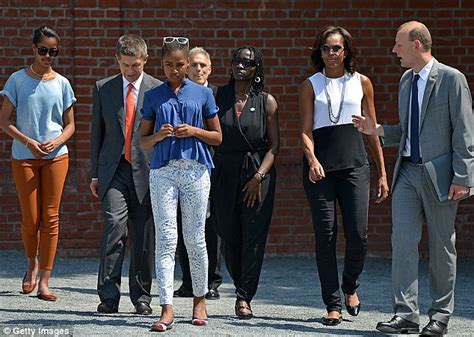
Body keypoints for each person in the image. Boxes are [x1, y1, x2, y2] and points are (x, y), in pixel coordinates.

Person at [352, 21, 473, 335]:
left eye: (399, 44)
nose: (394, 51)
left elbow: (464, 132)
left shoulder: (451, 79)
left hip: (441, 176)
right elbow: (408, 132)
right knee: (403, 243)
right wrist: (376, 130)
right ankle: (406, 315)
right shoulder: (406, 80)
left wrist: (463, 176)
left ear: (417, 44)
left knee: (441, 248)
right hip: (407, 173)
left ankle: (440, 316)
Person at [299, 26, 389, 325]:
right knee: (325, 237)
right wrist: (311, 159)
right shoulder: (310, 85)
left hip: (355, 167)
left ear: (346, 51)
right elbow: (304, 130)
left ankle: (350, 286)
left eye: (337, 48)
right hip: (320, 171)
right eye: (326, 48)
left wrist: (382, 173)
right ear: (319, 52)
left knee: (358, 235)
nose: (331, 53)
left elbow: (373, 131)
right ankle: (333, 303)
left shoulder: (362, 82)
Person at [140, 36, 222, 332]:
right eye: (168, 65)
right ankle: (166, 307)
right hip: (162, 171)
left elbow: (218, 137)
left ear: (188, 64)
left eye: (179, 65)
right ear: (161, 65)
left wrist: (195, 131)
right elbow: (143, 140)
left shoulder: (202, 94)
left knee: (195, 238)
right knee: (166, 239)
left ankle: (199, 301)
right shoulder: (153, 96)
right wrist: (159, 136)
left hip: (196, 171)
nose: (174, 70)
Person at [0, 26, 76, 301]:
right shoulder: (17, 80)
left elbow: (70, 126)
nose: (48, 56)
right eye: (43, 50)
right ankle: (30, 263)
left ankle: (45, 279)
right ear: (33, 48)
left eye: (53, 51)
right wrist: (28, 141)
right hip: (24, 157)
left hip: (56, 156)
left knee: (51, 217)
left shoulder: (62, 83)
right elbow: (4, 120)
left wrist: (57, 142)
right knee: (31, 219)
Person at [90, 34, 161, 315]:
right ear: (117, 60)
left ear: (145, 60)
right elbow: (98, 132)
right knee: (114, 227)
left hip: (147, 170)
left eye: (136, 65)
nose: (131, 71)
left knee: (143, 235)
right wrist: (95, 173)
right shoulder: (103, 88)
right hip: (114, 170)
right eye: (125, 65)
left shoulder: (157, 89)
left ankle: (141, 296)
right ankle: (108, 296)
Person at [211, 46, 279, 319]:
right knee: (227, 233)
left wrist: (259, 176)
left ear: (256, 70)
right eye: (237, 60)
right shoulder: (217, 96)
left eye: (248, 63)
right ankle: (241, 284)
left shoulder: (267, 101)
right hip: (224, 170)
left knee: (253, 236)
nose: (241, 65)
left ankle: (244, 297)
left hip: (257, 173)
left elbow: (275, 146)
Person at [174, 46, 223, 300]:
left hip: (213, 167)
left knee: (209, 224)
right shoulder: (178, 92)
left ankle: (211, 281)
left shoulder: (218, 94)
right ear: (186, 68)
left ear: (210, 69)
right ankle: (187, 281)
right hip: (183, 166)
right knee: (184, 222)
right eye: (194, 65)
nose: (199, 69)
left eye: (203, 65)